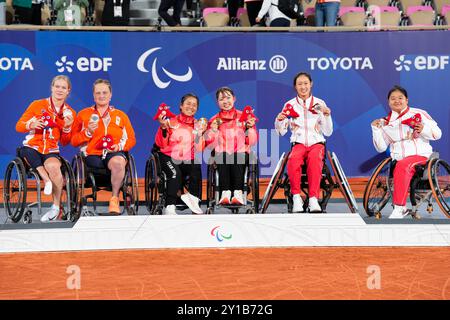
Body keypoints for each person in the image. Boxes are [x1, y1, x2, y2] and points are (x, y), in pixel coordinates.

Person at [371, 85, 442, 219]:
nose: (397, 101)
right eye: (393, 99)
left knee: (403, 165)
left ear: (407, 100)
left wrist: (423, 129)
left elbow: (438, 134)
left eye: (400, 98)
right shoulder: (386, 122)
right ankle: (400, 207)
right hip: (399, 160)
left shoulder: (419, 113)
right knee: (401, 164)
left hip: (421, 157)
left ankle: (399, 208)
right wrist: (375, 129)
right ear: (388, 102)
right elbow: (380, 147)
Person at [15, 75, 76, 222]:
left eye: (63, 87)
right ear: (52, 88)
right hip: (32, 146)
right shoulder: (37, 105)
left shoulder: (70, 113)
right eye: (57, 86)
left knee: (55, 167)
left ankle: (56, 208)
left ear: (68, 91)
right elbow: (19, 126)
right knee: (28, 151)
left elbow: (66, 141)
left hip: (50, 150)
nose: (60, 90)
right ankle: (46, 180)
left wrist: (67, 128)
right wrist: (31, 124)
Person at [71, 79, 136, 214]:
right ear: (94, 96)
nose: (101, 96)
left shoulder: (120, 115)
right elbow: (74, 140)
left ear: (110, 95)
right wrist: (87, 132)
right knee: (105, 161)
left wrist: (118, 147)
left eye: (105, 92)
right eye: (98, 93)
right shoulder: (83, 114)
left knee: (118, 162)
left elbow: (131, 139)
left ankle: (114, 198)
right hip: (93, 155)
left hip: (114, 152)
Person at [275, 72, 333, 213]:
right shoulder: (289, 105)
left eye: (305, 83)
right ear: (295, 86)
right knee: (293, 159)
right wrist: (280, 119)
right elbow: (280, 132)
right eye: (300, 84)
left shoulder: (320, 103)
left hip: (316, 143)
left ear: (311, 84)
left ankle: (313, 199)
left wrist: (327, 116)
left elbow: (328, 131)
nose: (303, 87)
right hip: (298, 142)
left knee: (314, 159)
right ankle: (296, 198)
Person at [154, 94, 207, 215]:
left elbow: (199, 150)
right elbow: (160, 144)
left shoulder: (198, 125)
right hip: (168, 156)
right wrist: (163, 127)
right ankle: (170, 205)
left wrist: (200, 134)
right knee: (174, 173)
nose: (191, 107)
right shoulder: (170, 122)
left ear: (197, 109)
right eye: (188, 103)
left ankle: (193, 199)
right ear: (181, 106)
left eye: (194, 105)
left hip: (187, 158)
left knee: (196, 165)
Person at [204, 87, 258, 206]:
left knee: (237, 156)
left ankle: (238, 193)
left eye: (228, 98)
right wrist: (212, 131)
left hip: (241, 153)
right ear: (217, 102)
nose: (225, 101)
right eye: (222, 99)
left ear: (234, 99)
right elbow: (209, 145)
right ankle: (225, 193)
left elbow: (252, 141)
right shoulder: (214, 120)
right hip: (222, 154)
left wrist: (249, 128)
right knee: (224, 156)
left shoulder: (244, 116)